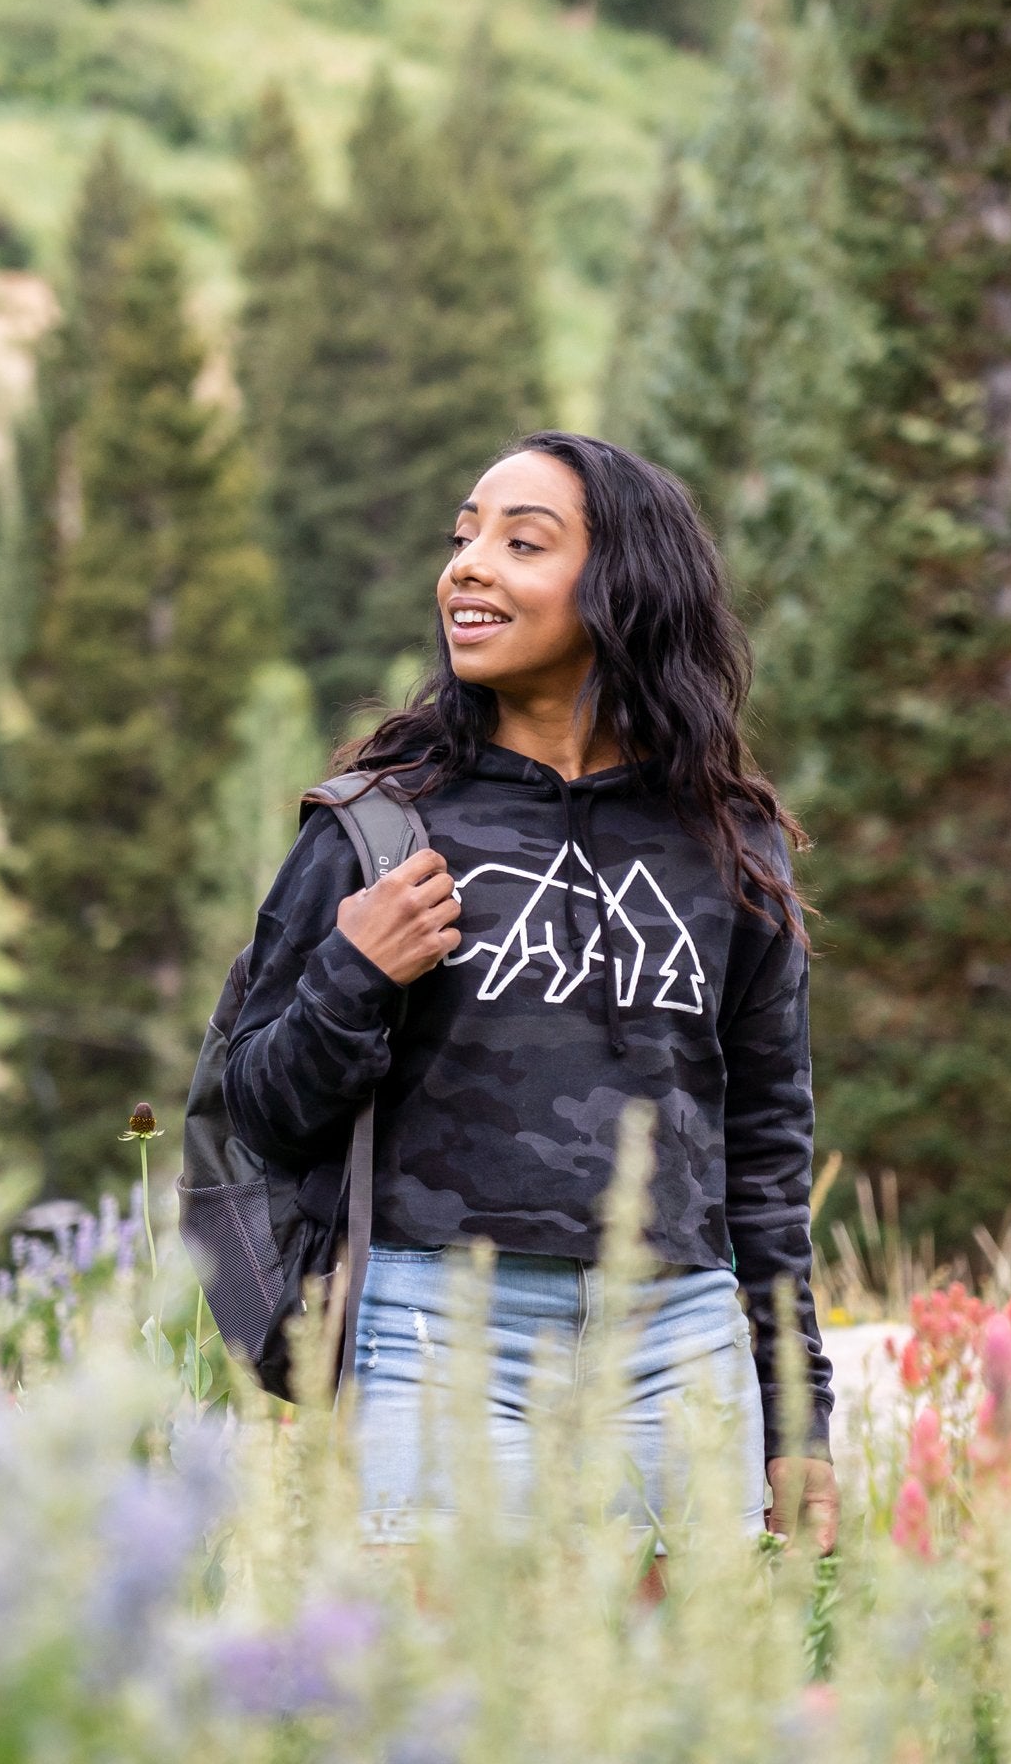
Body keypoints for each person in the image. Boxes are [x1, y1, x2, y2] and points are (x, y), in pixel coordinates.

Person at [222, 430, 838, 1564]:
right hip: (438, 1329)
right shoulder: (378, 824)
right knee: (460, 1698)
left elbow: (764, 1146)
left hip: (679, 1335)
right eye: (463, 538)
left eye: (521, 541)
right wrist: (352, 975)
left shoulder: (728, 840)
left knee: (674, 1711)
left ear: (622, 585)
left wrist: (796, 1411)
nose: (468, 565)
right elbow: (251, 1106)